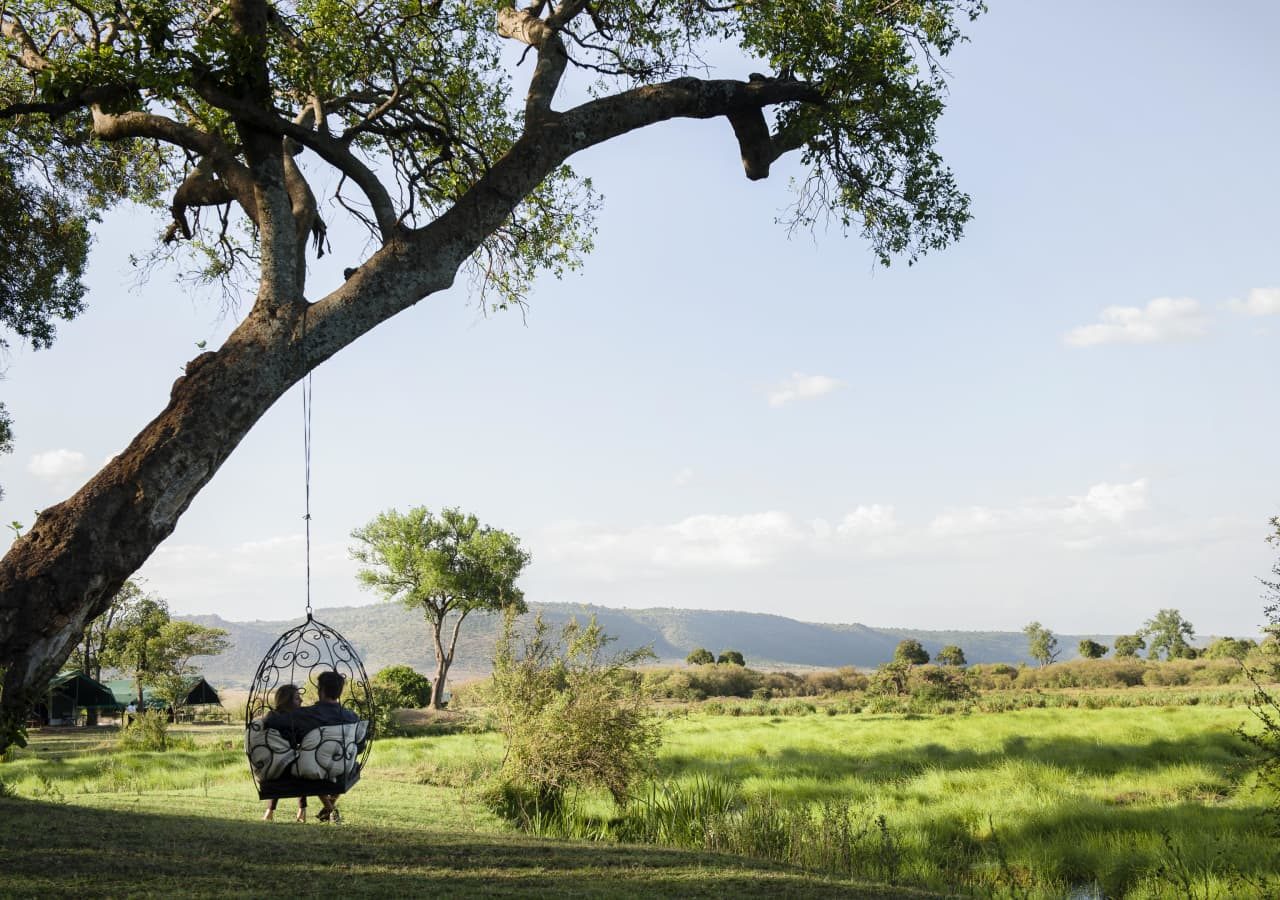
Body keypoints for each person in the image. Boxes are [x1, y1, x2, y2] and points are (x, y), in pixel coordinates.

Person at [290, 670, 361, 823]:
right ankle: (330, 807)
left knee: (309, 762)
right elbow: (359, 747)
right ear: (340, 691)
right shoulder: (352, 717)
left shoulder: (304, 715)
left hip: (311, 769)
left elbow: (291, 741)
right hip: (342, 767)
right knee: (353, 768)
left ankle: (329, 808)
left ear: (320, 690)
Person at [261, 684, 308, 822]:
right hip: (283, 765)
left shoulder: (270, 716)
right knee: (299, 765)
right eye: (297, 698)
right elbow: (299, 740)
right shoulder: (290, 719)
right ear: (287, 701)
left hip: (271, 763)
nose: (301, 700)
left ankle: (270, 812)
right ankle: (303, 810)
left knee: (292, 762)